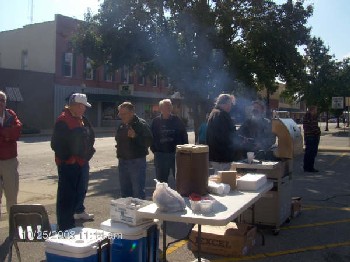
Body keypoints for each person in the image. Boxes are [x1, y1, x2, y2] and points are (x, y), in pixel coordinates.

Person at [51, 93, 95, 231]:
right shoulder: (63, 120)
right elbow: (56, 144)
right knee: (66, 196)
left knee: (75, 194)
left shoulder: (81, 119)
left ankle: (69, 223)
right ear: (75, 106)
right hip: (69, 164)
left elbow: (90, 137)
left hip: (80, 163)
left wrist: (87, 154)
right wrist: (70, 159)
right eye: (82, 106)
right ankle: (64, 225)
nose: (84, 109)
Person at [115, 102, 153, 199]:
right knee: (125, 191)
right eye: (120, 114)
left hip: (136, 162)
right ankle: (127, 213)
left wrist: (135, 136)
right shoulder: (122, 125)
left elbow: (148, 141)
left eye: (123, 114)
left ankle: (138, 213)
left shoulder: (141, 124)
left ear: (131, 113)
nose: (121, 116)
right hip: (123, 161)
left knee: (137, 192)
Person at [150, 99, 188, 183]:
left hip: (175, 154)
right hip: (160, 155)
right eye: (166, 106)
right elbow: (151, 137)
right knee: (161, 181)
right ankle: (162, 196)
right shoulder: (156, 121)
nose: (169, 108)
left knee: (180, 178)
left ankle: (180, 195)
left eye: (170, 106)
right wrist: (155, 150)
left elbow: (184, 135)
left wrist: (184, 150)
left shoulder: (176, 120)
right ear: (161, 108)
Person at [0, 90, 22, 216]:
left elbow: (17, 132)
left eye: (3, 100)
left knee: (12, 196)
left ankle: (13, 227)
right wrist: (7, 135)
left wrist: (3, 134)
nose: (0, 103)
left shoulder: (10, 115)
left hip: (10, 161)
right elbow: (10, 134)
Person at [206, 94, 237, 173]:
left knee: (217, 180)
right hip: (222, 156)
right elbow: (226, 136)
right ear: (224, 103)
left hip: (214, 155)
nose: (230, 106)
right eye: (229, 103)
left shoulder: (213, 113)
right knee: (223, 181)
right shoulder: (222, 114)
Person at [303, 105, 321, 173]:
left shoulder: (306, 116)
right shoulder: (311, 117)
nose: (316, 111)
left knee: (308, 153)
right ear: (312, 110)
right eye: (315, 110)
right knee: (312, 153)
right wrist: (318, 132)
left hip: (308, 136)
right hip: (312, 136)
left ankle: (306, 167)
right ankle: (310, 167)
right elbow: (314, 127)